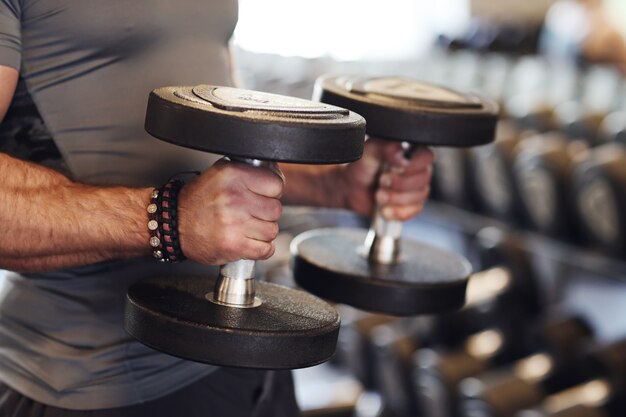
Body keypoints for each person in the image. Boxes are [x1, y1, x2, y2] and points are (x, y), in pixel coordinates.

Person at [0, 0, 434, 415]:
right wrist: (170, 218)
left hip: (246, 349)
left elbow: (225, 141)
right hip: (95, 382)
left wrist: (334, 185)